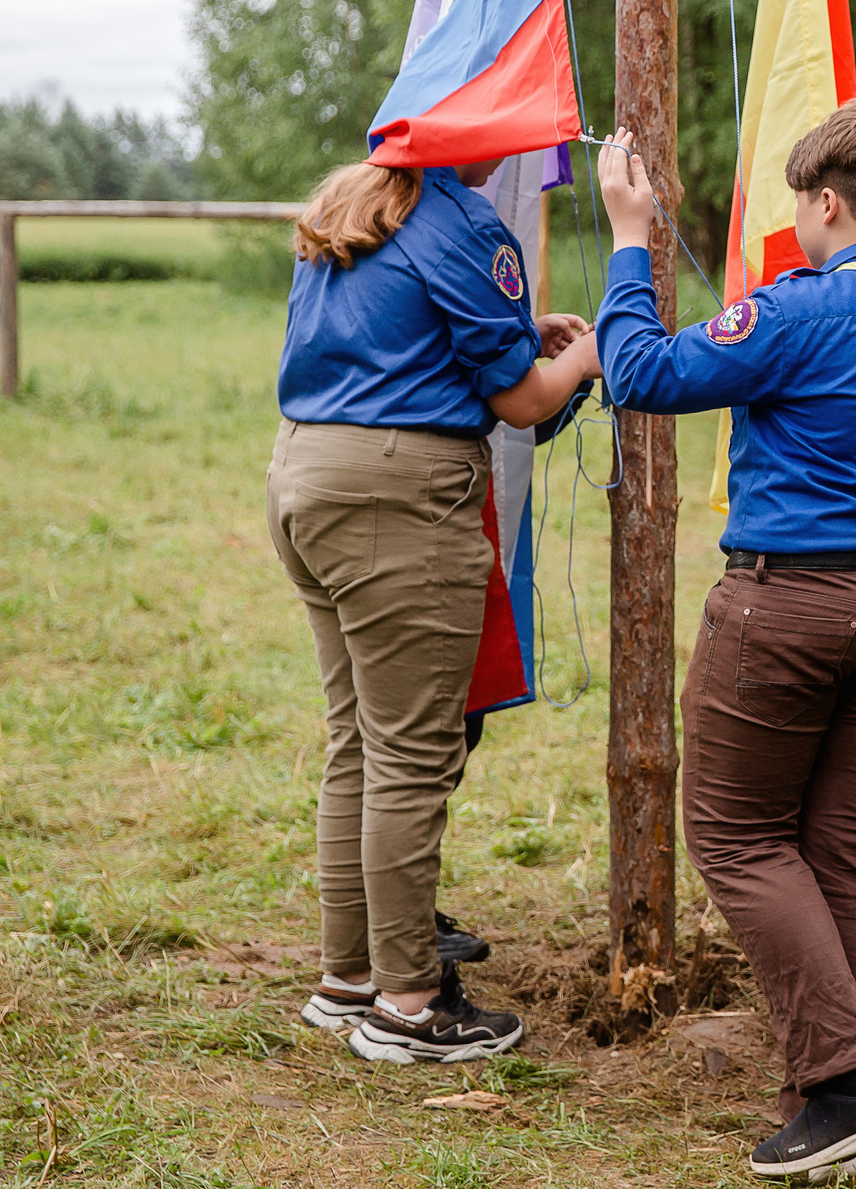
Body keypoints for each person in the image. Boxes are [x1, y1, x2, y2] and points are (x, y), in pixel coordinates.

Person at [594, 98, 856, 1180]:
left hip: (791, 604)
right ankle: (842, 1087)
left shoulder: (800, 311)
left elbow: (644, 375)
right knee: (849, 845)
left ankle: (848, 1079)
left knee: (736, 838)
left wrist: (630, 240)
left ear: (824, 204)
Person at [268, 156, 602, 1064]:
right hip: (396, 493)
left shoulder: (353, 192)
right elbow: (523, 401)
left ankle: (348, 981)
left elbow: (394, 326)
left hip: (304, 469)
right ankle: (411, 1007)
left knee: (357, 739)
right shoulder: (460, 217)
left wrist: (516, 327)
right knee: (414, 754)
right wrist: (587, 350)